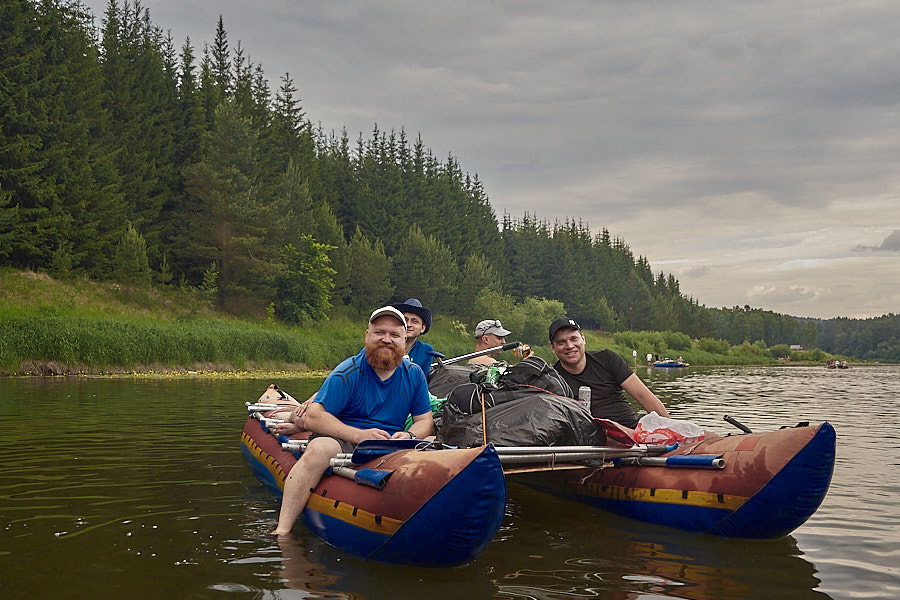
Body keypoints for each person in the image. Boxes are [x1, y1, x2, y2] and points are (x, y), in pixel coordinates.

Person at [273, 306, 434, 536]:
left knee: (431, 439)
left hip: (390, 443)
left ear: (404, 339)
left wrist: (410, 435)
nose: (386, 340)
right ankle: (282, 531)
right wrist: (359, 435)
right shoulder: (348, 371)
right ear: (367, 336)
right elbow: (315, 415)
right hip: (344, 438)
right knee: (319, 448)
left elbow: (424, 420)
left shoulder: (414, 374)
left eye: (394, 335)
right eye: (380, 333)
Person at [548, 317, 670, 429]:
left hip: (632, 432)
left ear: (583, 339)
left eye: (574, 339)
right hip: (595, 441)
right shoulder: (553, 380)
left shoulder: (607, 359)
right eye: (561, 342)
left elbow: (644, 397)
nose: (569, 346)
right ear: (552, 348)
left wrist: (670, 430)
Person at [391, 298, 437, 376]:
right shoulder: (384, 344)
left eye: (414, 321)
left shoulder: (426, 350)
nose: (408, 325)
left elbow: (422, 381)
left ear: (422, 328)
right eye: (405, 320)